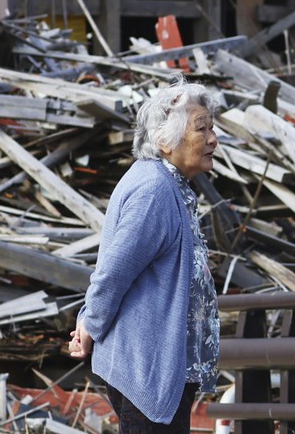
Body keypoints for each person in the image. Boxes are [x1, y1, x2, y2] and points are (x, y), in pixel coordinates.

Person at [68, 79, 222, 433]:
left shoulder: (168, 185)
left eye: (212, 128)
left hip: (156, 366)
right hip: (146, 368)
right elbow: (113, 272)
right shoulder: (154, 191)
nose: (213, 139)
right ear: (166, 141)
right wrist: (89, 324)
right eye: (202, 129)